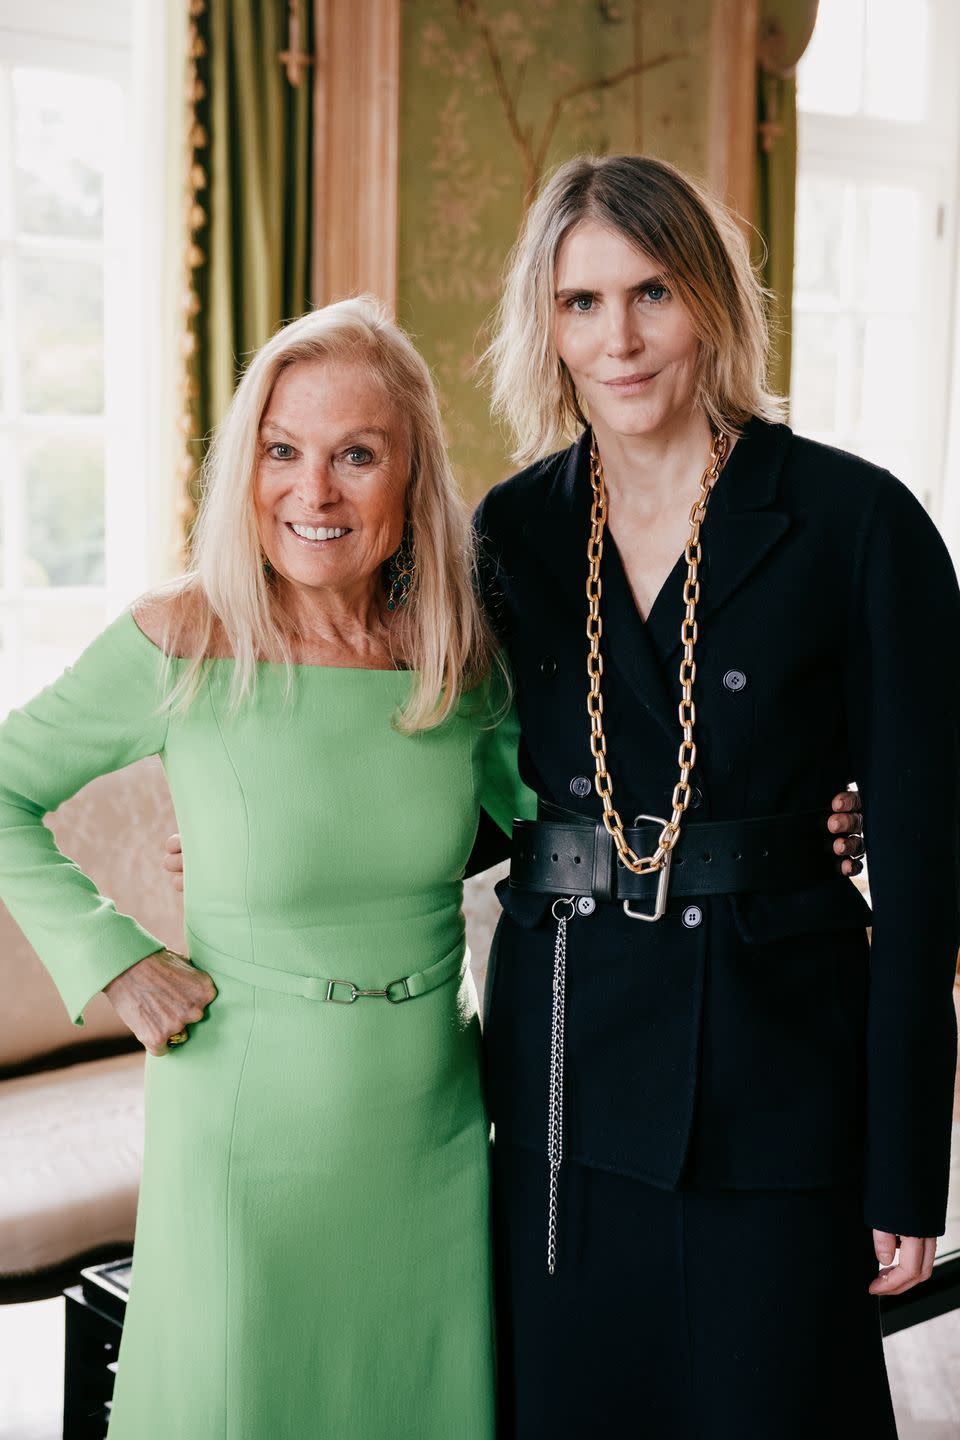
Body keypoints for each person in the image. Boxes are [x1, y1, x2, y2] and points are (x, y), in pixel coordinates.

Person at [474, 154, 960, 1439]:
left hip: (778, 1073)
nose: (619, 339)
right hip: (564, 1073)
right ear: (547, 323)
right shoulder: (508, 533)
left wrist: (911, 1159)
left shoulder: (859, 524)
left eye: (652, 294)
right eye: (581, 303)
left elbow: (925, 873)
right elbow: (451, 783)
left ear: (713, 303)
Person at [0, 299, 535, 1439]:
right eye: (282, 451)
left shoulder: (456, 662)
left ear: (411, 475)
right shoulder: (183, 639)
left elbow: (571, 825)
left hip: (435, 1123)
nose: (314, 491)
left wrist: (808, 815)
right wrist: (115, 958)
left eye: (356, 454)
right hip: (244, 1124)